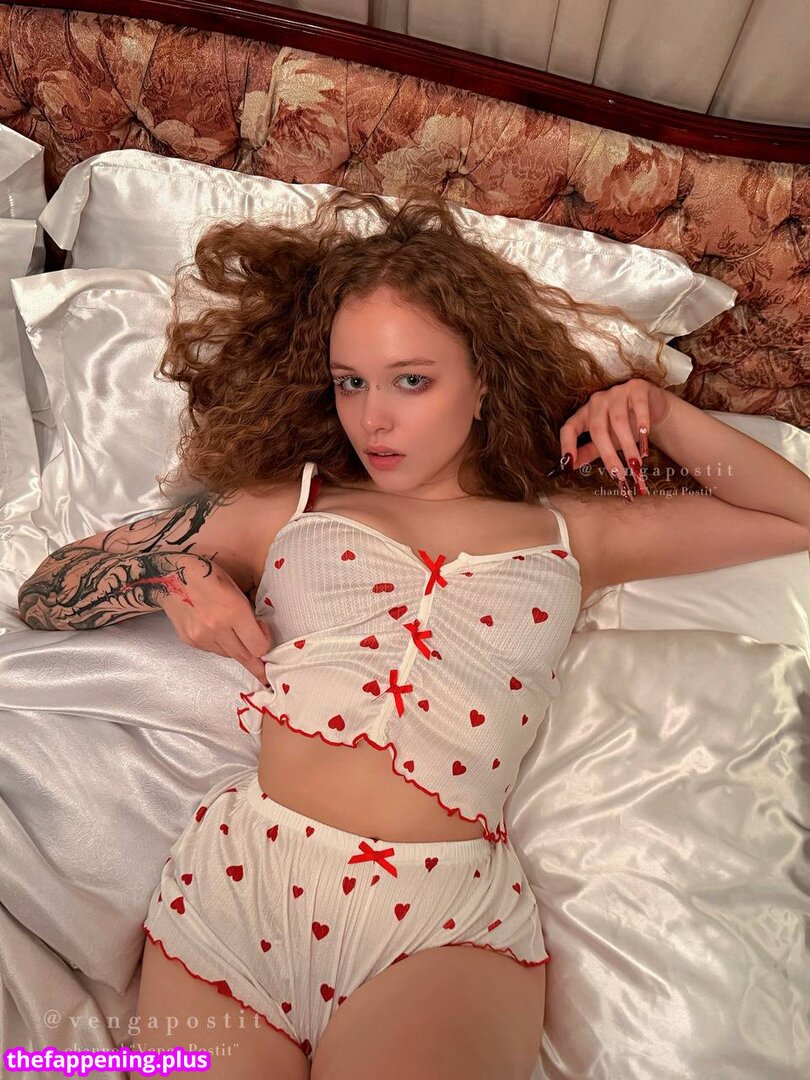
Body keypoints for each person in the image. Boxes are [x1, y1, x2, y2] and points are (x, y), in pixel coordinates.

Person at [17, 189, 809, 1080]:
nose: (374, 419)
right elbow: (44, 591)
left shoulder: (573, 533)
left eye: (411, 380)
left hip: (437, 926)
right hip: (238, 890)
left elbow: (798, 515)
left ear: (484, 379)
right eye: (351, 382)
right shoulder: (287, 506)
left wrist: (661, 414)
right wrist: (166, 575)